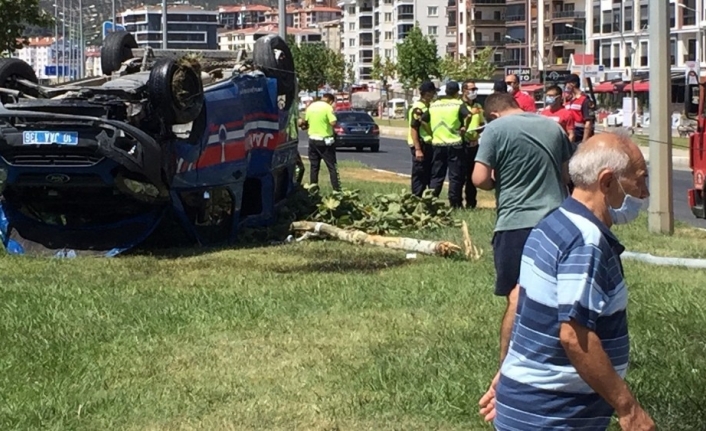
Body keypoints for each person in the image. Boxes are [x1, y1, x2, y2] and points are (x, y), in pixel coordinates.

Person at [479, 131, 655, 431]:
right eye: (639, 179)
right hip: (555, 416)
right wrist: (629, 408)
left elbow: (517, 299)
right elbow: (574, 336)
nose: (645, 192)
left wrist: (507, 371)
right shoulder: (586, 243)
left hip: (523, 406)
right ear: (608, 181)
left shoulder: (554, 222)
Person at [472, 92, 574, 380]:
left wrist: (496, 182)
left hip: (516, 223)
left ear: (492, 114)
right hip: (557, 221)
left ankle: (507, 369)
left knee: (518, 295)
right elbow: (568, 175)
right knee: (558, 295)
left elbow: (479, 179)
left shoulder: (494, 130)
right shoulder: (552, 126)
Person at [421, 81, 471, 203]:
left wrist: (431, 132)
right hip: (455, 143)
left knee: (437, 175)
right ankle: (455, 202)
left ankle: (431, 201)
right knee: (455, 176)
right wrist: (464, 127)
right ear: (457, 92)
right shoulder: (458, 104)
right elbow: (468, 115)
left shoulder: (434, 105)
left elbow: (423, 120)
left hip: (438, 144)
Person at [301, 93, 340, 191]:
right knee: (332, 167)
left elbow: (305, 122)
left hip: (312, 140)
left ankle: (313, 189)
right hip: (325, 140)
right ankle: (337, 190)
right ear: (331, 101)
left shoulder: (311, 106)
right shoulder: (328, 107)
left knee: (314, 166)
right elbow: (333, 122)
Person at [407, 81, 436, 197]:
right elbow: (414, 128)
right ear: (427, 93)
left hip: (428, 143)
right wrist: (418, 149)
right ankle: (416, 198)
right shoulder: (418, 108)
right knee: (419, 174)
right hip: (420, 144)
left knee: (427, 173)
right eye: (432, 93)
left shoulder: (427, 106)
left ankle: (426, 199)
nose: (434, 95)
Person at [461, 79, 485, 209]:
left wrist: (482, 128)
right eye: (472, 89)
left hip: (474, 145)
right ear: (464, 91)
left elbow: (481, 122)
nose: (474, 92)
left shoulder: (478, 106)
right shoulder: (460, 105)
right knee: (460, 176)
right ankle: (457, 203)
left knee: (472, 176)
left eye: (475, 89)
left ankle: (471, 203)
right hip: (462, 144)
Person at [564, 73, 595, 144]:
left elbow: (588, 122)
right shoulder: (570, 99)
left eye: (566, 84)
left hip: (580, 135)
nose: (565, 86)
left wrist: (584, 141)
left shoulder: (585, 100)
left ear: (573, 84)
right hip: (570, 134)